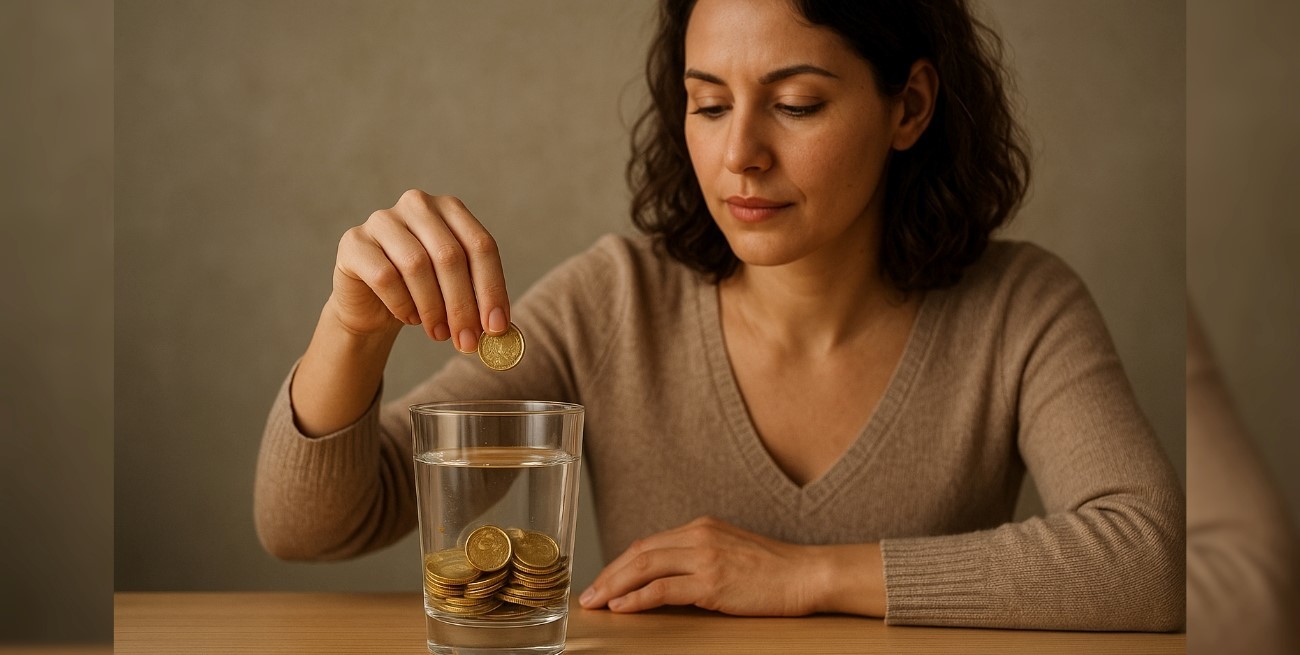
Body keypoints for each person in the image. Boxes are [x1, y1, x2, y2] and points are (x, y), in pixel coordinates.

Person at [255, 0, 1184, 630]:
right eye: (707, 104)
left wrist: (803, 575)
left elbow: (1150, 557)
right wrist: (353, 327)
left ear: (909, 106)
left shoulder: (1023, 308)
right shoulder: (613, 301)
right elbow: (316, 525)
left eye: (795, 103)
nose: (739, 153)